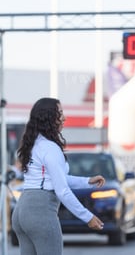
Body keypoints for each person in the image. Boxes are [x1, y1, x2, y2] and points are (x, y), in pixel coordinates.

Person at [11, 97, 106, 255]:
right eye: (60, 113)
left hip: (22, 211)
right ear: (48, 117)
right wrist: (87, 217)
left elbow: (56, 179)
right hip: (40, 212)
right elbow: (62, 190)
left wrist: (87, 181)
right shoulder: (50, 148)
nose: (64, 117)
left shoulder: (34, 144)